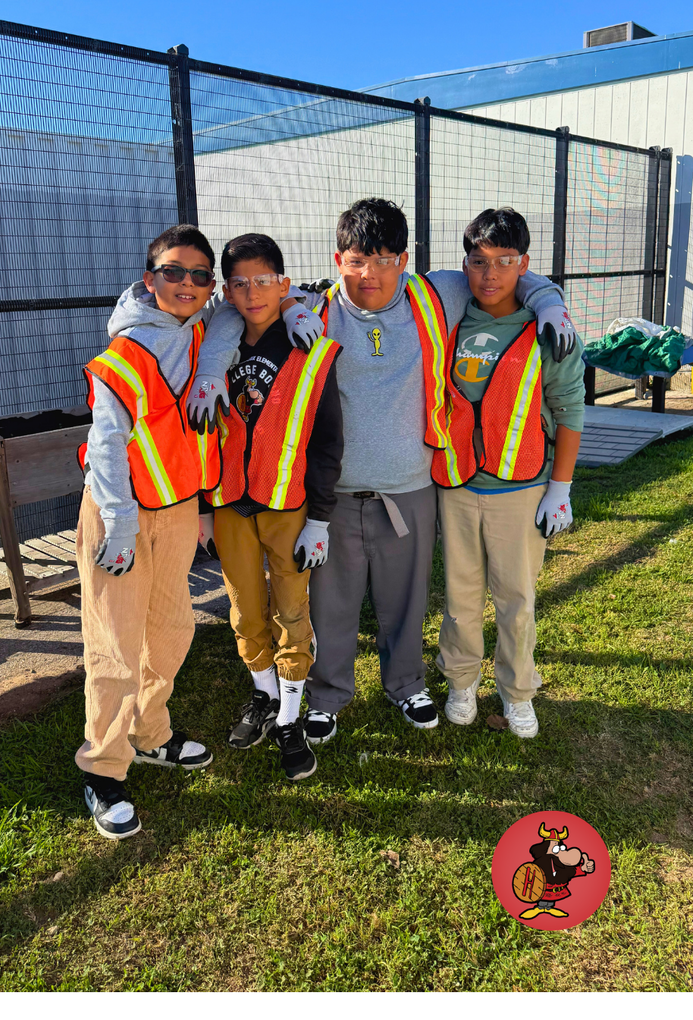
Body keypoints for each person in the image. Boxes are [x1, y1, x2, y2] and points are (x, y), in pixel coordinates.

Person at [188, 198, 577, 748]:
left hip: (411, 485)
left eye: (385, 259)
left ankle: (406, 683)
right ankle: (327, 695)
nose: (370, 273)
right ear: (336, 259)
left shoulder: (435, 293)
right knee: (332, 603)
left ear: (405, 259)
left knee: (406, 599)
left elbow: (506, 270)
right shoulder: (310, 310)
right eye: (356, 260)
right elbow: (235, 307)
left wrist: (550, 301)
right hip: (331, 496)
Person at [75, 224, 325, 840]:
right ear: (149, 278)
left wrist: (293, 306)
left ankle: (151, 734)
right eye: (173, 272)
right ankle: (104, 770)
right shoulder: (125, 353)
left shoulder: (201, 328)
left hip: (181, 509)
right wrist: (121, 526)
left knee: (171, 630)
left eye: (198, 276)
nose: (186, 285)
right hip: (122, 515)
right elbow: (106, 446)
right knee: (115, 646)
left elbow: (245, 308)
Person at [433, 207, 584, 739]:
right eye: (478, 261)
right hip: (456, 485)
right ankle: (460, 680)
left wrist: (559, 488)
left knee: (516, 599)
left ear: (525, 264)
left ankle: (518, 690)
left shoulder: (549, 327)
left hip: (522, 488)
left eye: (504, 261)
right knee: (461, 595)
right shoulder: (447, 317)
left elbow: (569, 409)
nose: (490, 274)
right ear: (465, 265)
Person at [199, 234, 343, 781]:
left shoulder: (310, 344)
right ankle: (262, 695)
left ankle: (289, 715)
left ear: (283, 283)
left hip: (287, 503)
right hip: (228, 500)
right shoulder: (211, 343)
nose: (251, 292)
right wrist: (199, 507)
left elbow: (329, 440)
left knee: (292, 606)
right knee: (244, 605)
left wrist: (321, 517)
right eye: (239, 283)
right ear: (227, 290)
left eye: (264, 281)